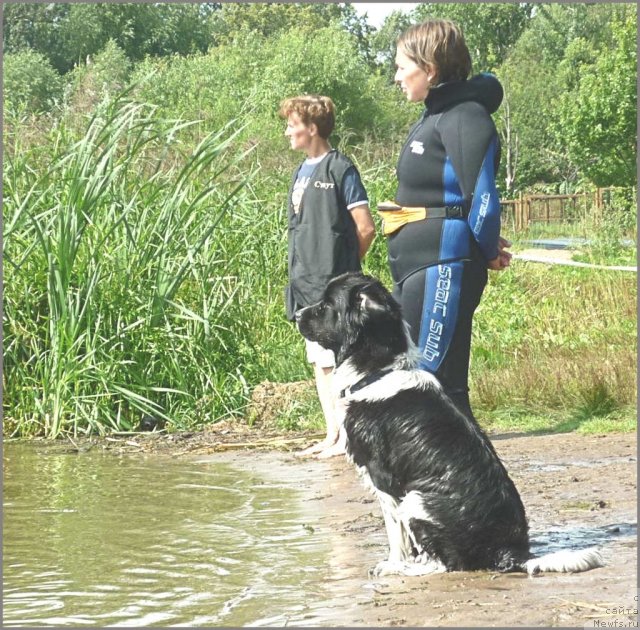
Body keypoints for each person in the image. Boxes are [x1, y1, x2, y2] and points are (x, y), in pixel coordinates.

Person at [379, 19, 512, 421]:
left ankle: (472, 482)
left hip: (444, 267)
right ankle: (435, 478)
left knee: (438, 386)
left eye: (403, 67)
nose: (397, 76)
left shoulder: (464, 116)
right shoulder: (434, 115)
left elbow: (483, 198)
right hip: (419, 265)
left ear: (430, 70)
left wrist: (489, 249)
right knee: (413, 379)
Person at [279, 95, 376, 458]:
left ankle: (349, 439)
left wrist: (347, 274)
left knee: (339, 362)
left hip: (333, 288)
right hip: (303, 284)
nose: (287, 131)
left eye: (292, 124)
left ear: (312, 128)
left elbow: (365, 228)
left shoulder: (341, 169)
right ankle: (332, 435)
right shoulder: (299, 172)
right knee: (319, 363)